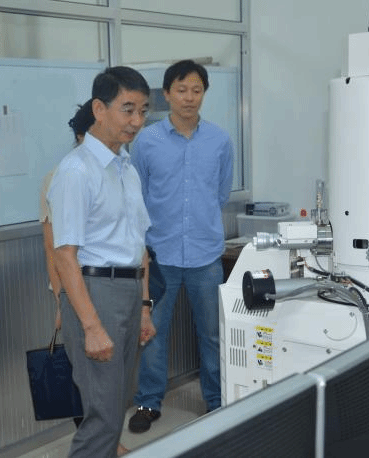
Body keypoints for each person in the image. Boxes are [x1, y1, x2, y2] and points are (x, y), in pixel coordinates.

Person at [47, 66, 157, 458]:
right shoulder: (76, 170)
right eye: (128, 109)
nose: (137, 121)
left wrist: (144, 306)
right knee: (103, 417)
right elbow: (64, 255)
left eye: (143, 111)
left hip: (127, 290)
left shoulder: (126, 168)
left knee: (115, 406)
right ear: (99, 108)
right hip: (96, 293)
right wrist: (91, 327)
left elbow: (137, 246)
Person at [128, 59, 234, 433]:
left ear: (204, 93)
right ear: (167, 93)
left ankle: (217, 401)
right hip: (160, 255)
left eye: (196, 90)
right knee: (152, 333)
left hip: (206, 255)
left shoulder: (220, 140)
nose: (189, 97)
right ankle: (148, 403)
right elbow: (137, 197)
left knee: (213, 334)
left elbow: (220, 193)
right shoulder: (146, 141)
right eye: (181, 89)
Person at [38, 99, 94, 431]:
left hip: (111, 288)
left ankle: (106, 438)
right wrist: (61, 300)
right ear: (80, 136)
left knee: (108, 373)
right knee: (80, 373)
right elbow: (52, 247)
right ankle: (92, 439)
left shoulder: (117, 173)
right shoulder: (57, 178)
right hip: (75, 289)